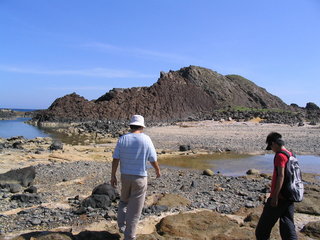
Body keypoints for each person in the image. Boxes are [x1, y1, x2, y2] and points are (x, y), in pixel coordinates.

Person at [111, 115, 161, 240]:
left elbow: (115, 158)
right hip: (140, 177)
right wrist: (157, 170)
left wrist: (113, 175)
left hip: (125, 176)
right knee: (135, 211)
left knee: (123, 202)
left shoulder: (123, 139)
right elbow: (153, 159)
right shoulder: (146, 139)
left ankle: (122, 226)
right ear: (142, 126)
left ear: (131, 126)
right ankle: (130, 237)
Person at [255, 132, 297, 240]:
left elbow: (281, 176)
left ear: (274, 143)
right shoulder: (290, 154)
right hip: (290, 195)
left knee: (261, 230)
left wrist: (275, 196)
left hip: (280, 197)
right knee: (288, 226)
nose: (272, 149)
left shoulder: (280, 155)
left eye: (271, 147)